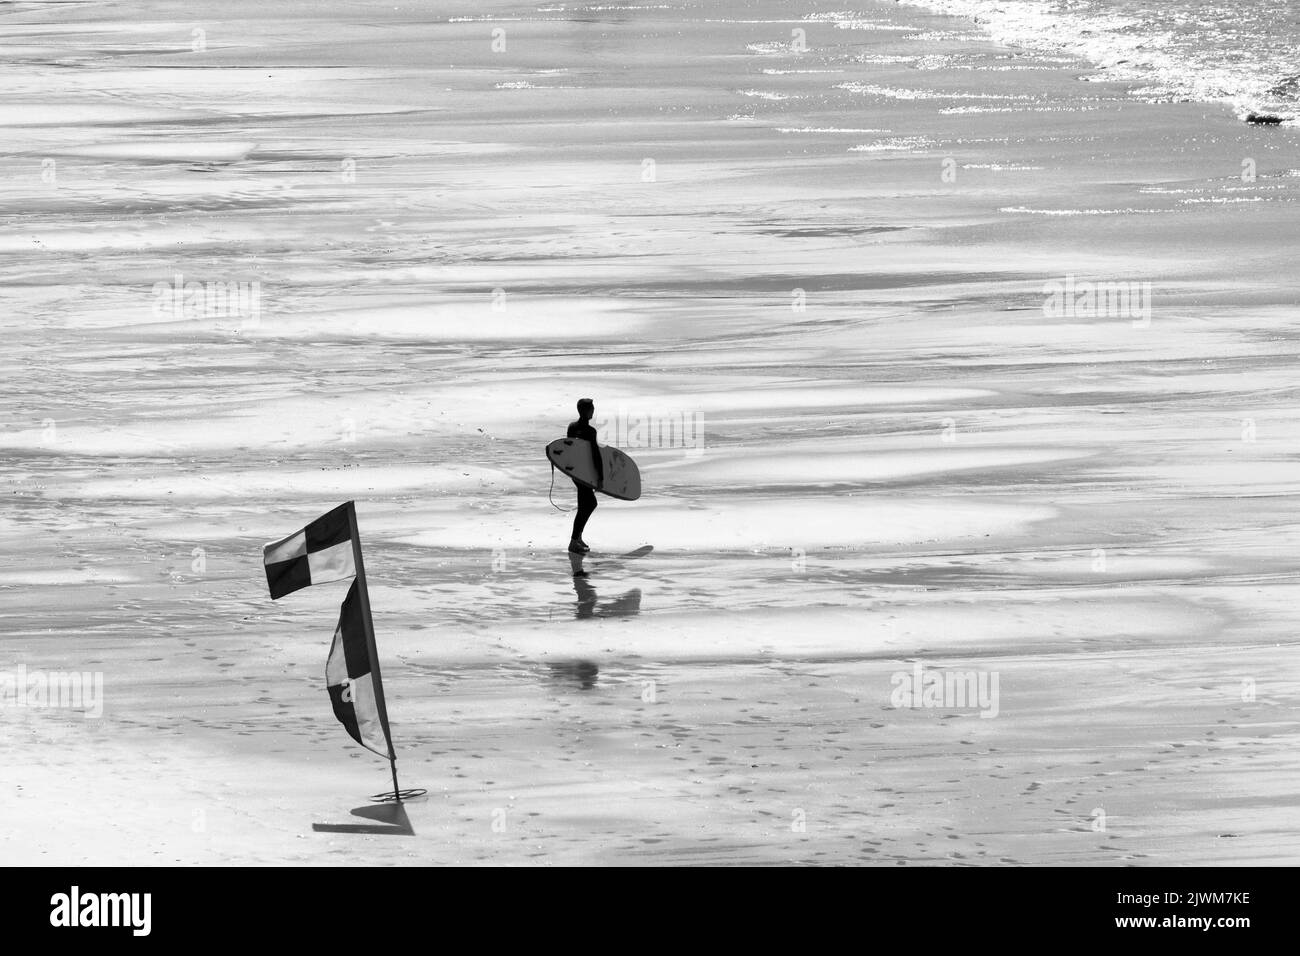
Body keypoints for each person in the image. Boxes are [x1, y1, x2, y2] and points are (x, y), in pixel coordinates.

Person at [567, 398, 603, 553]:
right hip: (586, 472)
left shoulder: (572, 427)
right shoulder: (590, 431)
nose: (593, 411)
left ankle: (578, 538)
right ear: (586, 411)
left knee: (585, 505)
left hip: (576, 472)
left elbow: (569, 448)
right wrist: (600, 477)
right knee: (589, 504)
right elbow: (595, 454)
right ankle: (574, 541)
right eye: (591, 409)